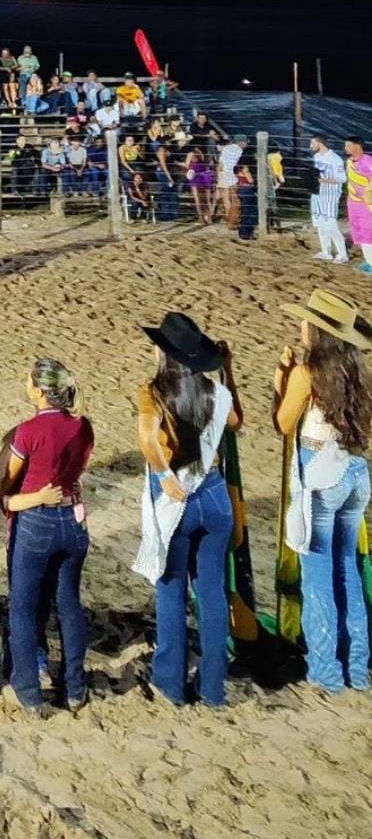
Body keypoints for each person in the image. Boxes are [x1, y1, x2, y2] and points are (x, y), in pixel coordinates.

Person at [133, 314, 241, 707]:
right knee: (211, 592)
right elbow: (235, 421)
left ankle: (170, 684)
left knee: (171, 591)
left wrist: (163, 474)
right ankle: (213, 686)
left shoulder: (155, 392)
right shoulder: (215, 392)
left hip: (178, 496)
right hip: (212, 493)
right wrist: (228, 373)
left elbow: (147, 437)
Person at [274, 289, 372, 692]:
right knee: (346, 568)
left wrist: (281, 380)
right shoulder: (359, 371)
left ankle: (327, 672)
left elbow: (283, 422)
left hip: (318, 471)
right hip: (354, 469)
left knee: (317, 577)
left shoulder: (308, 371)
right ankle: (358, 668)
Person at [0, 360, 93, 714]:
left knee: (22, 606)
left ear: (38, 390)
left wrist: (12, 499)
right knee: (69, 604)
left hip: (38, 521)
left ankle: (28, 689)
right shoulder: (83, 427)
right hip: (74, 519)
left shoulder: (28, 431)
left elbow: (9, 481)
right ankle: (75, 687)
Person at [308, 135, 348, 262]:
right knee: (320, 223)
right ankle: (326, 251)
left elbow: (342, 178)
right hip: (317, 193)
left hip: (330, 195)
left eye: (312, 143)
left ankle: (342, 254)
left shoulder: (335, 159)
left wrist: (325, 180)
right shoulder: (317, 157)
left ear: (320, 143)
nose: (310, 146)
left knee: (330, 223)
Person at [344, 137, 372, 274]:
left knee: (368, 233)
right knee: (359, 231)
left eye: (348, 145)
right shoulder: (349, 162)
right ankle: (369, 261)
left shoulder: (368, 162)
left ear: (357, 146)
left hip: (367, 204)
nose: (345, 148)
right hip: (354, 203)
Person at [216, 135, 245, 230]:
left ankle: (228, 219)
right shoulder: (240, 151)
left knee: (226, 200)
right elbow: (239, 165)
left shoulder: (226, 149)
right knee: (235, 200)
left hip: (224, 174)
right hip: (234, 176)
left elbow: (220, 165)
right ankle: (233, 221)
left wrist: (218, 177)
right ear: (241, 142)